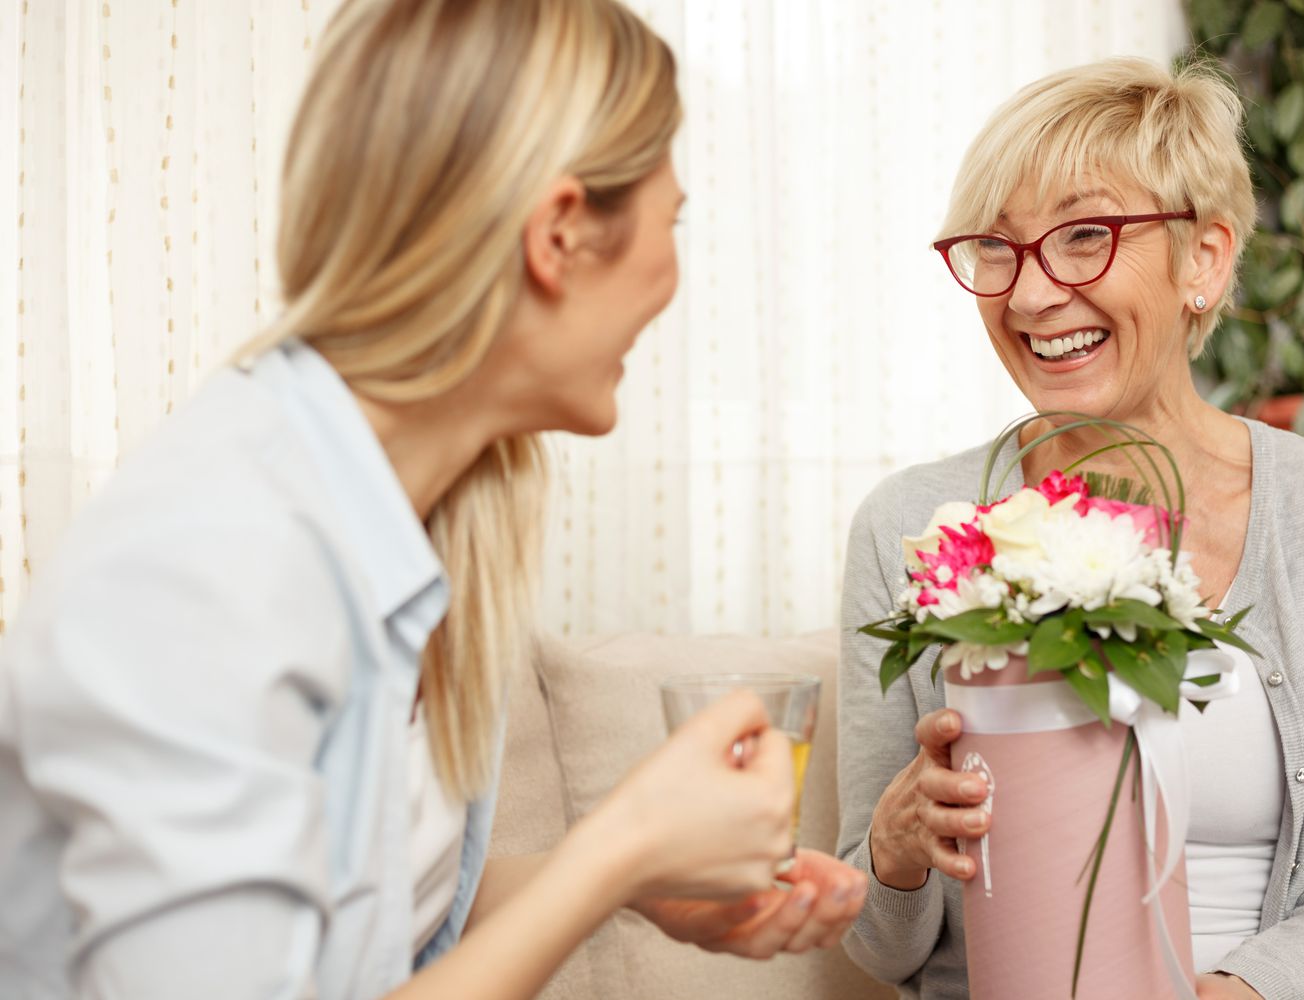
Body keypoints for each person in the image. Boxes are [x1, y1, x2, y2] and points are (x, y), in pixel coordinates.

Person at [0, 1, 866, 997]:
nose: (673, 279)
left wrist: (642, 878)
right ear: (560, 235)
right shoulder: (213, 567)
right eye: (670, 224)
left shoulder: (407, 521)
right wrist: (617, 851)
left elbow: (359, 916)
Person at [836, 57, 1304, 1000]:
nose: (1030, 297)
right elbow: (879, 946)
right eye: (997, 247)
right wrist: (896, 849)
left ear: (1206, 258)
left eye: (1084, 237)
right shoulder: (909, 528)